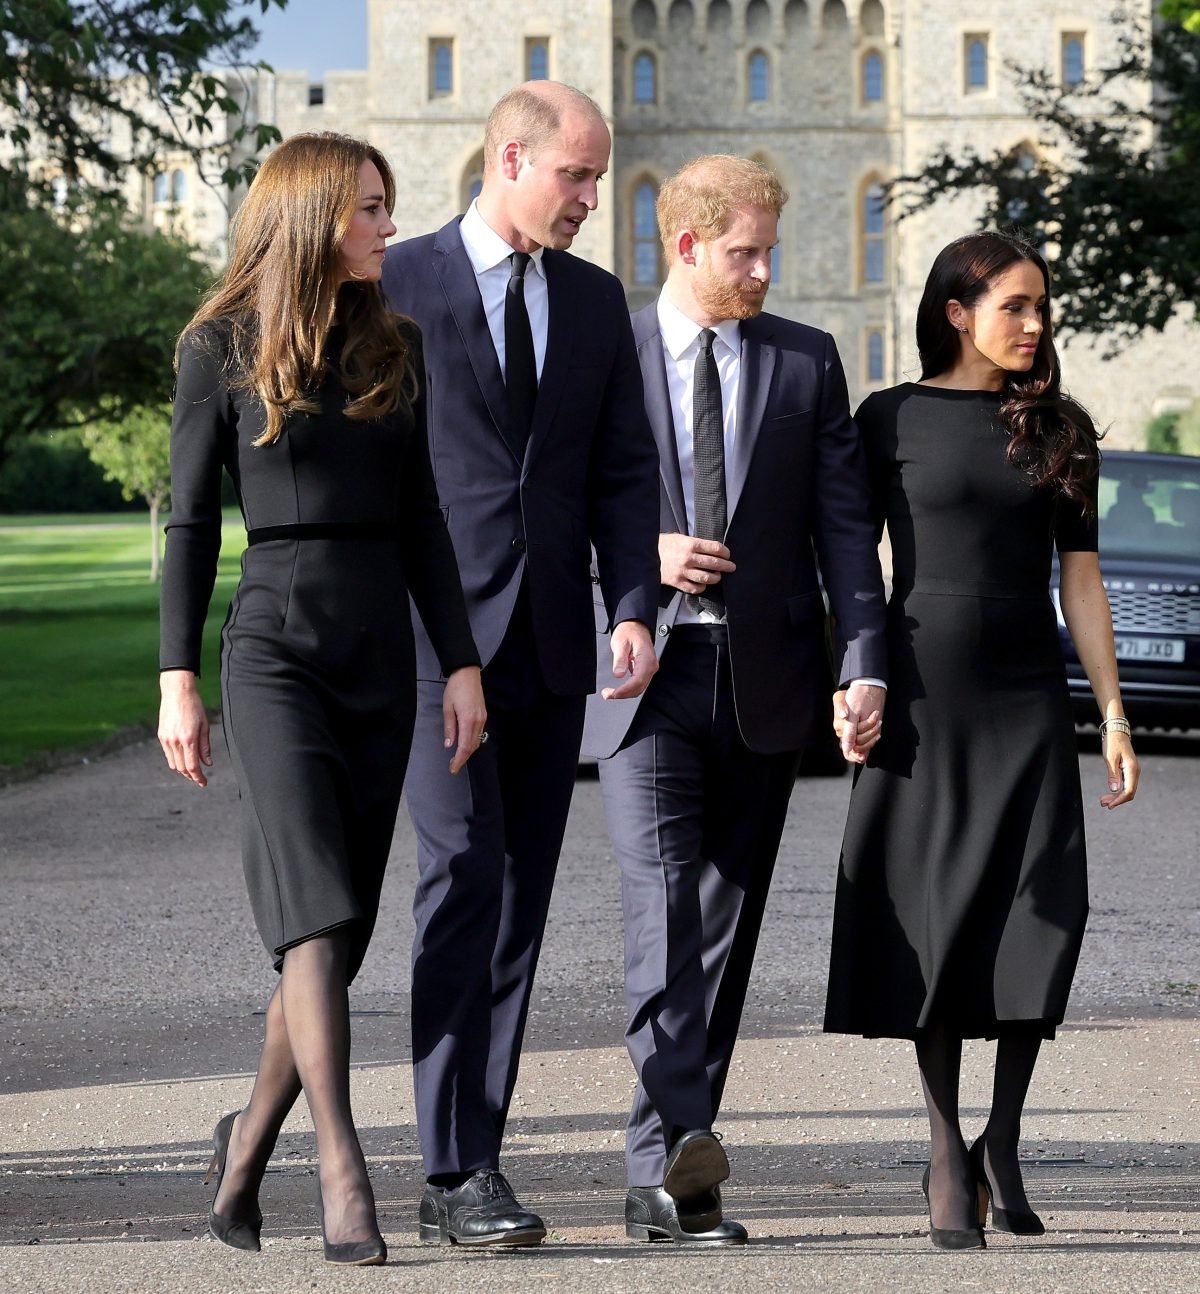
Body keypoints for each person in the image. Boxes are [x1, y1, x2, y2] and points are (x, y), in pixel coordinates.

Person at [157, 132, 486, 1266]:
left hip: (373, 661)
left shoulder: (399, 343)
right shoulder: (221, 345)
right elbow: (190, 523)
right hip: (274, 658)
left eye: (388, 208)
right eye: (370, 209)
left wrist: (460, 660)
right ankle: (342, 1166)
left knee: (332, 939)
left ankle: (243, 1153)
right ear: (311, 215)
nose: (388, 227)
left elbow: (427, 517)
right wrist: (177, 679)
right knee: (315, 913)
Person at [581, 155, 889, 1245]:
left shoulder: (806, 362)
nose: (766, 270)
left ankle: (668, 1175)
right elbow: (542, 505)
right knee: (661, 903)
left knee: (724, 928)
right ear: (685, 246)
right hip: (643, 674)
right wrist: (638, 555)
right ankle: (683, 1137)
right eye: (745, 252)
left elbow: (845, 528)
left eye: (771, 250)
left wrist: (866, 658)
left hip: (766, 683)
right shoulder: (605, 346)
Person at [380, 82, 662, 1247]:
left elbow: (621, 471)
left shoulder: (596, 304)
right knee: (457, 885)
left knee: (518, 904)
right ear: (509, 158)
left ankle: (471, 1155)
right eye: (576, 177)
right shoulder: (396, 284)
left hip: (554, 650)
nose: (593, 200)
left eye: (598, 179)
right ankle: (451, 1166)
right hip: (430, 648)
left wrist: (634, 603)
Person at [823, 230, 1139, 1251]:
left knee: (1037, 916)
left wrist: (1116, 709)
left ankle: (1003, 1134)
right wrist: (851, 674)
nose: (1036, 323)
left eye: (1043, 305)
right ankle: (945, 1146)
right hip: (922, 702)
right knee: (940, 917)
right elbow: (852, 566)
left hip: (1025, 696)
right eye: (1016, 304)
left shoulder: (1062, 428)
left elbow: (1080, 579)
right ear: (958, 310)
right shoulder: (891, 417)